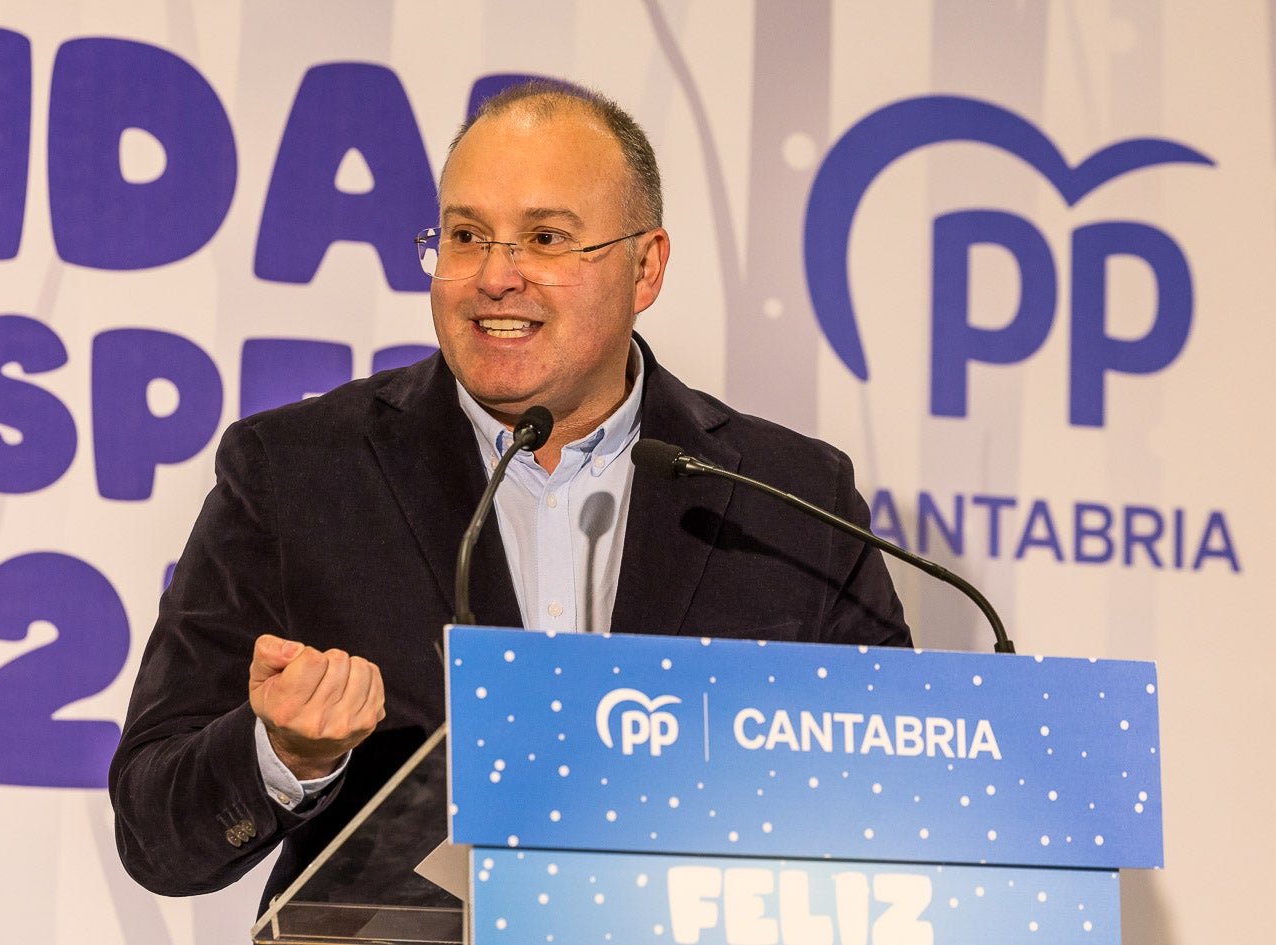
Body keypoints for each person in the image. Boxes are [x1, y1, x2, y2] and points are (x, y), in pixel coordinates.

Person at [109, 81, 909, 911]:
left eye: (544, 238)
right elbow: (153, 832)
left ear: (645, 267)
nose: (495, 276)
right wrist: (283, 753)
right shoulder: (297, 472)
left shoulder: (789, 497)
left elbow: (900, 802)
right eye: (465, 236)